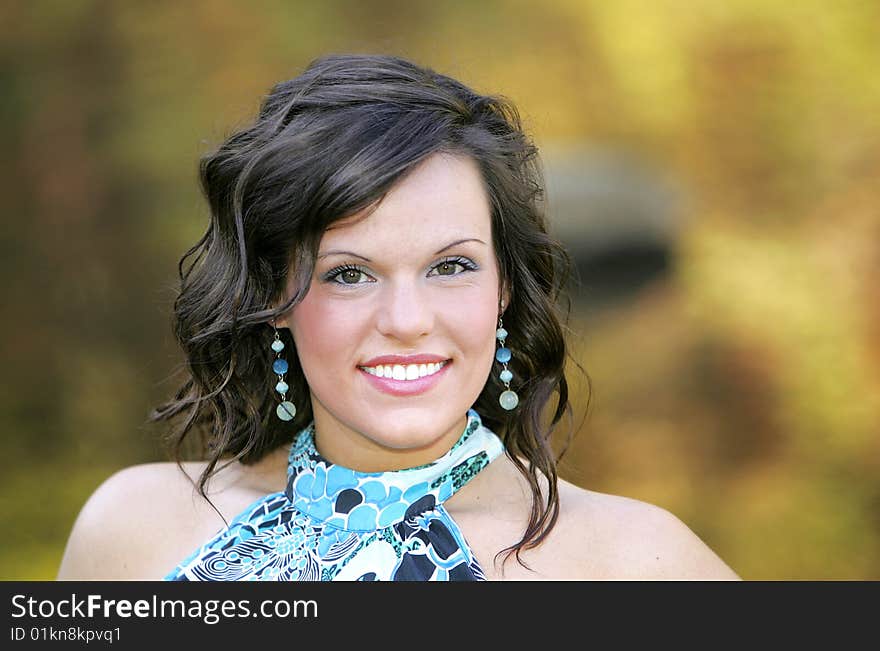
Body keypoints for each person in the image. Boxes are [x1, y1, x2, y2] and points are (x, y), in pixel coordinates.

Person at [57, 53, 739, 581]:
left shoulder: (635, 563)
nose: (408, 320)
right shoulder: (131, 529)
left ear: (504, 287)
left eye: (451, 266)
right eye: (349, 273)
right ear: (274, 299)